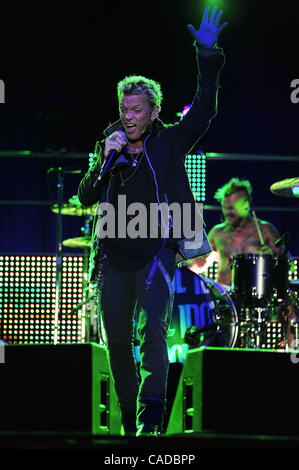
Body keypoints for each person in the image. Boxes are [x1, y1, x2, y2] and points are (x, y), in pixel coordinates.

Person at [78, 7, 227, 436]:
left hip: (157, 254)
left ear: (153, 110)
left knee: (154, 338)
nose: (129, 116)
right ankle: (128, 426)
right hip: (113, 258)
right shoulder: (109, 144)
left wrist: (207, 53)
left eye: (137, 110)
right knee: (118, 347)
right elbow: (86, 196)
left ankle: (151, 426)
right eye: (124, 108)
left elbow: (205, 109)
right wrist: (104, 160)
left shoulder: (170, 141)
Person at [189, 177, 282, 286]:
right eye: (225, 207)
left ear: (246, 205)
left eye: (231, 208)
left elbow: (286, 264)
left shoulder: (265, 230)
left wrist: (271, 259)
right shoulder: (217, 232)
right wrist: (183, 265)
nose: (227, 212)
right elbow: (200, 264)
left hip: (257, 293)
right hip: (225, 296)